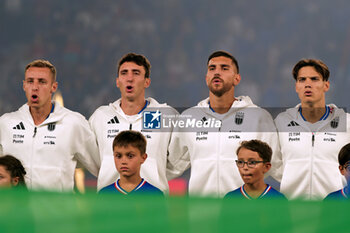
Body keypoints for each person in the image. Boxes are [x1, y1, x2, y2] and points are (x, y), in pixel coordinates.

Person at [167, 50, 280, 197]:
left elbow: (276, 166)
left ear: (237, 78)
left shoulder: (258, 117)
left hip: (244, 211)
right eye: (212, 69)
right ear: (206, 78)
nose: (217, 72)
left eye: (224, 68)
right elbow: (172, 165)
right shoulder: (189, 118)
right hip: (201, 214)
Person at [0, 59, 100, 191]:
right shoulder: (6, 123)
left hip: (58, 211)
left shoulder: (73, 123)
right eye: (30, 81)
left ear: (53, 87)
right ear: (24, 85)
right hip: (15, 211)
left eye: (42, 82)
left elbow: (102, 167)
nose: (35, 87)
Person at [89, 53, 177, 192]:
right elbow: (91, 159)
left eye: (136, 73)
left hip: (152, 201)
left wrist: (156, 174)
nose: (129, 78)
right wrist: (107, 171)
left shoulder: (165, 115)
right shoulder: (101, 116)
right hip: (109, 201)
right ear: (118, 81)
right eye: (124, 73)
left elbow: (180, 158)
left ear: (147, 81)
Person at [274, 59, 350, 200]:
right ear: (296, 86)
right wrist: (290, 176)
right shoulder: (281, 121)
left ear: (326, 85)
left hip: (335, 208)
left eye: (314, 79)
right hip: (291, 208)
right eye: (302, 80)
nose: (308, 84)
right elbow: (272, 162)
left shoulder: (347, 122)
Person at [99, 130, 162, 194]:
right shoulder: (104, 194)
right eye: (118, 156)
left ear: (143, 158)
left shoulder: (155, 194)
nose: (123, 161)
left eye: (130, 156)